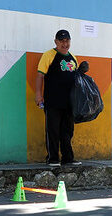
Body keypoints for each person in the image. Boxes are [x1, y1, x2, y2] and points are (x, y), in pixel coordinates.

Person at [35, 29, 82, 167]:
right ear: (56, 41)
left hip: (70, 103)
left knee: (68, 131)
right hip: (53, 101)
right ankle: (53, 158)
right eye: (61, 41)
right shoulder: (49, 55)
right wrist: (38, 94)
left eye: (67, 40)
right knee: (53, 130)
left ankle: (68, 158)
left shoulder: (73, 57)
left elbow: (77, 79)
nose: (64, 43)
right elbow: (40, 75)